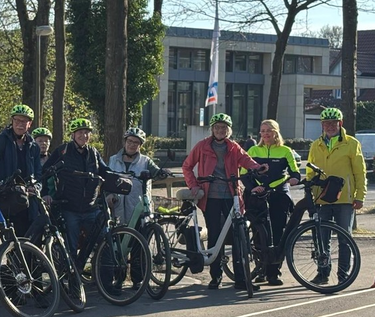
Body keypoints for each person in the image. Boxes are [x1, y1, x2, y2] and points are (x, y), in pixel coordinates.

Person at [182, 112, 267, 291]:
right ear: (212, 129)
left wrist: (258, 167)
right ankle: (216, 277)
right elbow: (187, 166)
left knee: (239, 236)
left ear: (229, 130)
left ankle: (241, 279)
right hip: (210, 196)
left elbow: (246, 160)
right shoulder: (202, 146)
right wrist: (194, 186)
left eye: (224, 128)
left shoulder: (234, 147)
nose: (220, 131)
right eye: (217, 128)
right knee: (215, 235)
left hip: (232, 195)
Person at [306, 107, 366, 285]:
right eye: (326, 123)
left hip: (345, 199)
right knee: (321, 238)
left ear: (340, 124)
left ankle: (343, 274)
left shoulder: (351, 143)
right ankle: (323, 273)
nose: (330, 126)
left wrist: (360, 196)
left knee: (344, 238)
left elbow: (360, 172)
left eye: (333, 123)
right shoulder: (316, 145)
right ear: (322, 125)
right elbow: (310, 170)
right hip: (322, 198)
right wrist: (309, 189)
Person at [43, 117, 114, 260]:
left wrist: (119, 179)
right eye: (80, 132)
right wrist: (45, 193)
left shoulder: (93, 153)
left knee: (103, 244)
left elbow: (105, 171)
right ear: (73, 135)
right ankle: (70, 281)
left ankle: (103, 281)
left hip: (91, 207)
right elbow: (45, 172)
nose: (84, 136)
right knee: (71, 248)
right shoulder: (63, 151)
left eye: (87, 132)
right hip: (70, 208)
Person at [244, 119, 300, 286]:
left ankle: (273, 273)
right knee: (259, 234)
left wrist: (295, 179)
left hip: (278, 194)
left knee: (277, 234)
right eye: (262, 131)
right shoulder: (253, 150)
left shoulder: (285, 150)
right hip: (256, 194)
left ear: (276, 132)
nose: (266, 133)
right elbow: (243, 173)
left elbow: (295, 171)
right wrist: (253, 187)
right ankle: (260, 269)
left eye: (269, 130)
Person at [0, 104, 42, 235]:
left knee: (28, 238)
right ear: (12, 121)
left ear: (30, 124)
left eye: (24, 121)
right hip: (5, 198)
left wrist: (37, 187)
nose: (20, 124)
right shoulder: (0, 141)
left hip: (26, 200)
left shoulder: (33, 146)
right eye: (17, 120)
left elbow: (38, 173)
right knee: (9, 238)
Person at [107, 127, 170, 226]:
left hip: (138, 210)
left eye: (136, 142)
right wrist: (109, 195)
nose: (132, 145)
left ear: (140, 145)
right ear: (125, 142)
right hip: (116, 209)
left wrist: (162, 172)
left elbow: (156, 172)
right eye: (129, 141)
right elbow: (106, 180)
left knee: (139, 239)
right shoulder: (113, 160)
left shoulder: (146, 161)